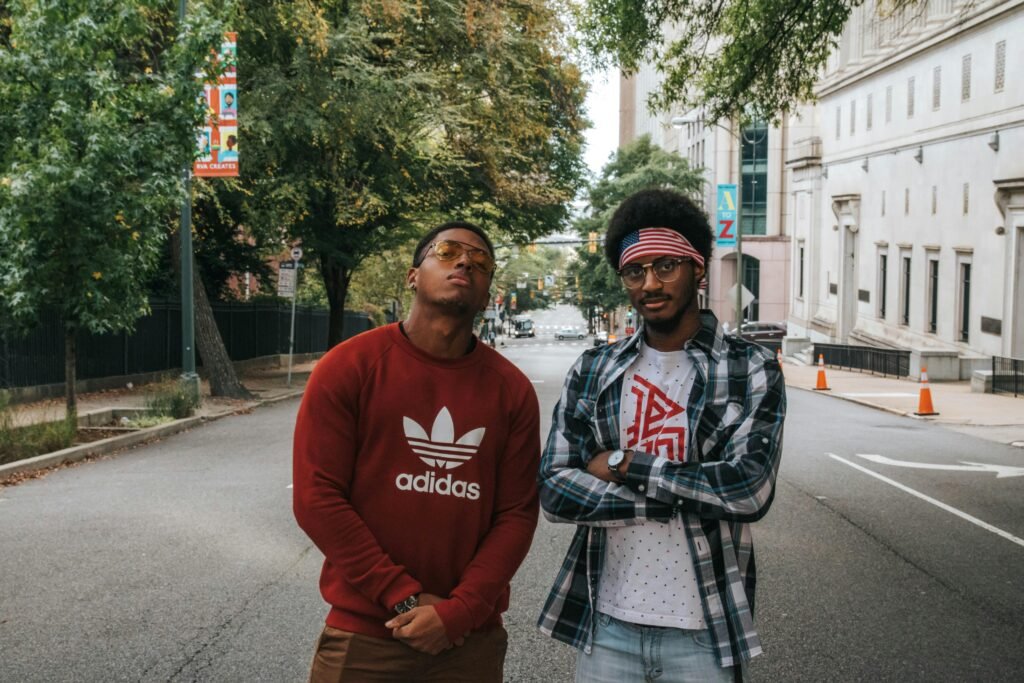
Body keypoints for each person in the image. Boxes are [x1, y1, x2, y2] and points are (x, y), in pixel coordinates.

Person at [537, 188, 786, 682]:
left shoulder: (748, 367)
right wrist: (674, 496)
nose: (650, 283)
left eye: (666, 266)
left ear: (697, 268)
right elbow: (553, 491)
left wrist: (623, 464)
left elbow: (747, 489)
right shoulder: (594, 369)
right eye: (635, 271)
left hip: (703, 631)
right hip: (607, 625)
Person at [293, 221, 541, 682]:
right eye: (447, 251)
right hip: (366, 636)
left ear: (488, 294)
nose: (465, 261)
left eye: (481, 260)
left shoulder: (512, 392)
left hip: (469, 640)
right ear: (412, 276)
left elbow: (517, 514)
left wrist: (459, 612)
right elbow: (316, 498)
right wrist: (402, 597)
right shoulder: (348, 368)